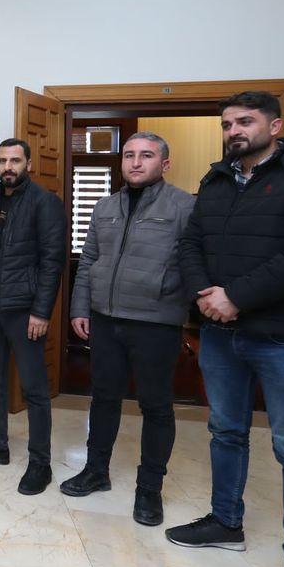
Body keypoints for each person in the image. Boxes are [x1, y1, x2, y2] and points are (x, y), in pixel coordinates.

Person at [166, 92, 284, 567]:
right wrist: (206, 294)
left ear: (275, 125)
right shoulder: (217, 179)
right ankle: (226, 523)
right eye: (227, 125)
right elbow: (191, 243)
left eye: (245, 122)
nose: (234, 132)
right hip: (219, 333)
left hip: (282, 336)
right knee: (225, 432)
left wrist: (235, 297)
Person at [61, 132, 195, 527]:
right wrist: (80, 308)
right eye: (130, 155)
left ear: (164, 164)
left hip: (156, 323)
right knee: (103, 398)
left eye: (146, 155)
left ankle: (149, 488)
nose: (136, 162)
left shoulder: (184, 206)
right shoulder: (104, 207)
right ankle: (96, 470)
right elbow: (88, 260)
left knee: (156, 405)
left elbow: (195, 263)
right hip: (105, 319)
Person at [0, 138, 65, 496]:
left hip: (24, 309)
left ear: (28, 164)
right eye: (3, 160)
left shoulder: (45, 203)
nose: (8, 167)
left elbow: (52, 262)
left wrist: (41, 311)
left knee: (34, 388)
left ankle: (40, 463)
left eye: (15, 160)